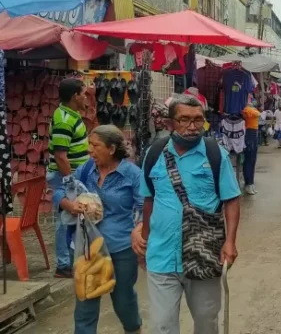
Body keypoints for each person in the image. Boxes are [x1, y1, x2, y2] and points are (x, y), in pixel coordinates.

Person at [131, 95, 241, 334]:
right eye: (184, 120)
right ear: (170, 124)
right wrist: (144, 237)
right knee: (162, 326)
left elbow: (231, 199)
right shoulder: (154, 154)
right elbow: (149, 200)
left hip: (203, 253)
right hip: (161, 255)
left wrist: (230, 242)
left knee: (206, 323)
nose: (192, 127)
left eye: (198, 120)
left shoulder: (215, 155)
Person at [54, 125, 143, 334]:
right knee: (85, 304)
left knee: (123, 300)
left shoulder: (132, 175)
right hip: (88, 248)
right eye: (89, 145)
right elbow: (60, 190)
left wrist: (139, 230)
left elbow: (144, 208)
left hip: (120, 248)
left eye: (95, 146)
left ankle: (134, 329)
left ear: (111, 149)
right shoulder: (87, 169)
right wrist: (71, 205)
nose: (90, 151)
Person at [47, 78, 89, 278]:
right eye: (84, 94)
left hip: (70, 175)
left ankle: (70, 260)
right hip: (64, 176)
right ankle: (63, 265)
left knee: (71, 218)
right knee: (65, 219)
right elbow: (61, 156)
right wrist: (71, 181)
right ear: (75, 96)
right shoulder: (64, 119)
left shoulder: (72, 114)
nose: (86, 98)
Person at [242, 101, 261, 195]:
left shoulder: (250, 109)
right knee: (249, 160)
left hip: (253, 133)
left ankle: (251, 182)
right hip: (249, 133)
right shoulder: (247, 110)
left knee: (252, 160)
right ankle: (248, 183)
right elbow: (257, 113)